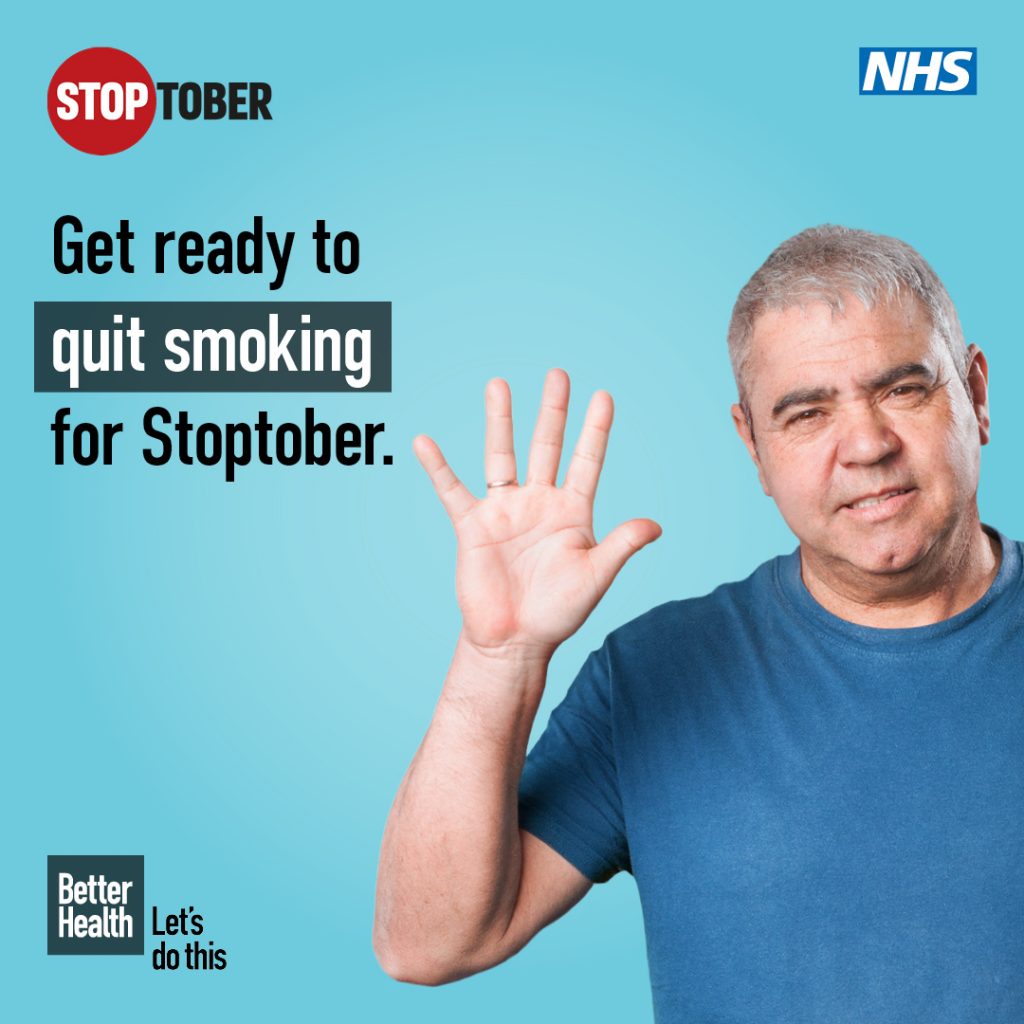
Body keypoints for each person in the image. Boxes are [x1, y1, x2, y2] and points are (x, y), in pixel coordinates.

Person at [374, 225, 1022, 1021]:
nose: (866, 444)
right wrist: (499, 654)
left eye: (901, 389)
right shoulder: (651, 675)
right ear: (753, 447)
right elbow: (427, 943)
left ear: (977, 393)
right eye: (807, 414)